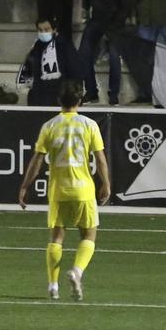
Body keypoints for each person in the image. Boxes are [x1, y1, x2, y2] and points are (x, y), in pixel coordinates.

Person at [19, 81, 111, 302]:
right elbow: (100, 159)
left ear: (59, 101)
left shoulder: (49, 126)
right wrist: (105, 183)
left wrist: (24, 186)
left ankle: (53, 286)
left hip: (58, 190)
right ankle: (77, 271)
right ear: (80, 101)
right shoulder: (90, 125)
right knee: (89, 235)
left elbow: (37, 161)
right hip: (84, 190)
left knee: (57, 237)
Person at [19, 18, 84, 107]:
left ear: (54, 29)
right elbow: (32, 70)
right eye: (40, 30)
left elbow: (74, 70)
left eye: (46, 29)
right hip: (41, 95)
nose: (43, 33)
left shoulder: (64, 44)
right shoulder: (37, 47)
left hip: (61, 95)